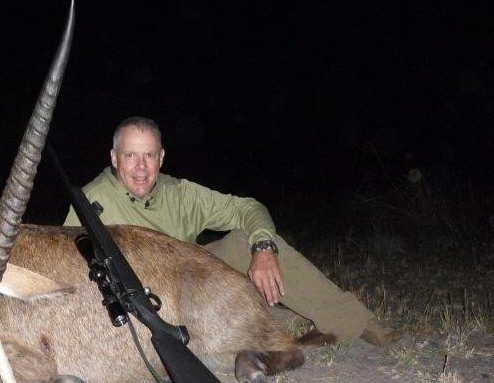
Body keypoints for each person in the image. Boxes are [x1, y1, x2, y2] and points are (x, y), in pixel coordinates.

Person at [63, 116, 399, 346]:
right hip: (147, 296)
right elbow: (69, 265)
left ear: (161, 158)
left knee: (245, 241)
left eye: (148, 155)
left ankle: (358, 323)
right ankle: (279, 322)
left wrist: (263, 247)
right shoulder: (91, 200)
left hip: (193, 274)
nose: (140, 167)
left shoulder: (180, 192)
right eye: (130, 155)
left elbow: (247, 208)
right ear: (114, 158)